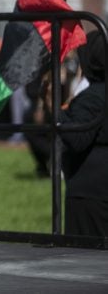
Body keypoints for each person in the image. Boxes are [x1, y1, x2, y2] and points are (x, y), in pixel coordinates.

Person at [44, 30, 108, 236]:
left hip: (90, 192)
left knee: (84, 258)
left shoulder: (94, 96)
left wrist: (53, 109)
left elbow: (76, 138)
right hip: (98, 188)